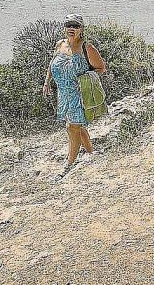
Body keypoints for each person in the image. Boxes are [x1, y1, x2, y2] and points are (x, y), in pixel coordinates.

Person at [43, 14, 106, 180]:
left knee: (72, 127)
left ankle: (68, 164)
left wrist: (86, 80)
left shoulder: (87, 48)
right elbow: (52, 63)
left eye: (76, 26)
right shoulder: (60, 44)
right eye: (69, 25)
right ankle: (91, 153)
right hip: (63, 93)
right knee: (78, 127)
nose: (72, 28)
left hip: (79, 95)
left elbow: (101, 68)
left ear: (81, 29)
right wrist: (47, 82)